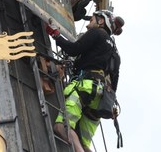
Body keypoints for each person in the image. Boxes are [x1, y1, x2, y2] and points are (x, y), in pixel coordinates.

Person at [46, 10, 124, 152]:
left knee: (62, 127)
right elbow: (114, 84)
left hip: (85, 88)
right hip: (102, 100)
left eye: (92, 20)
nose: (89, 24)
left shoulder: (98, 33)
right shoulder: (115, 53)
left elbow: (74, 49)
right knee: (84, 143)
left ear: (101, 21)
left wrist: (55, 35)